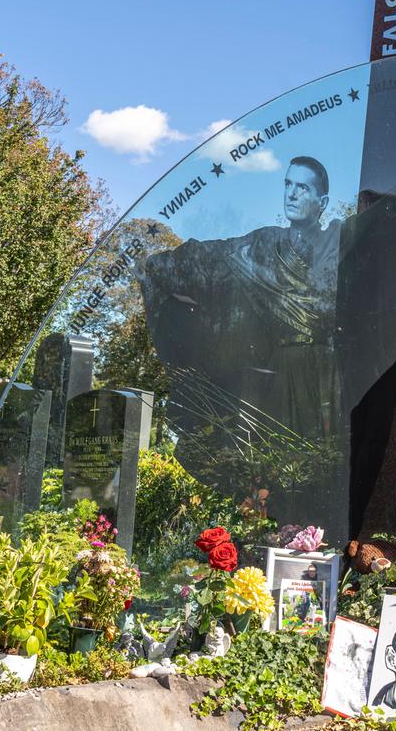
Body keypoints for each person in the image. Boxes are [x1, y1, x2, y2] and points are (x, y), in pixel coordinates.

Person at [139, 157, 343, 527]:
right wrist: (164, 267)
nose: (292, 194)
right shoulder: (263, 244)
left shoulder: (336, 242)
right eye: (288, 184)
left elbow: (382, 223)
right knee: (278, 462)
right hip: (280, 375)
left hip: (324, 375)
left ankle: (323, 539)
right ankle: (279, 533)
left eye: (304, 188)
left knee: (324, 462)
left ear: (323, 201)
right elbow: (211, 256)